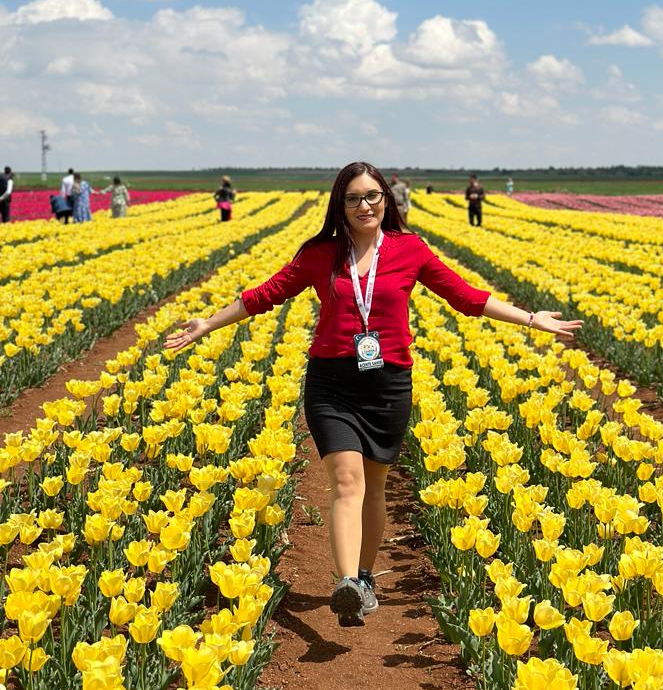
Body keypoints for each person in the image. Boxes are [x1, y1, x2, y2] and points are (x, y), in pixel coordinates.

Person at [164, 161, 582, 628]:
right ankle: (346, 582)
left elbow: (465, 296)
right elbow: (267, 294)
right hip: (332, 384)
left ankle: (364, 577)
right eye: (353, 198)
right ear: (339, 206)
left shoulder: (409, 250)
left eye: (372, 196)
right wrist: (207, 324)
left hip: (387, 385)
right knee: (347, 482)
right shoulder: (321, 254)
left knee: (374, 487)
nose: (364, 206)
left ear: (386, 199)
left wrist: (531, 319)